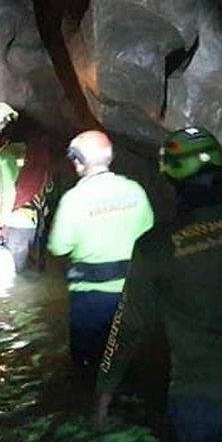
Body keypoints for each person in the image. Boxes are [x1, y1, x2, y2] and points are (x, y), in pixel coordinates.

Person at [95, 127, 222, 442]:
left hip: (199, 402)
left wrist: (105, 388)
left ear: (170, 181)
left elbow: (129, 326)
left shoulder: (155, 246)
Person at [47, 130, 153, 373]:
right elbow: (149, 236)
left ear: (78, 162)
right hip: (132, 294)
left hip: (91, 299)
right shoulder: (134, 190)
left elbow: (58, 247)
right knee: (128, 363)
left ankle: (91, 406)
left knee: (89, 365)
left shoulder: (74, 199)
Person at [0, 102, 53, 272]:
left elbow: (7, 195)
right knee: (26, 271)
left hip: (14, 222)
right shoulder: (35, 150)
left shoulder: (4, 156)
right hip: (34, 222)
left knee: (8, 278)